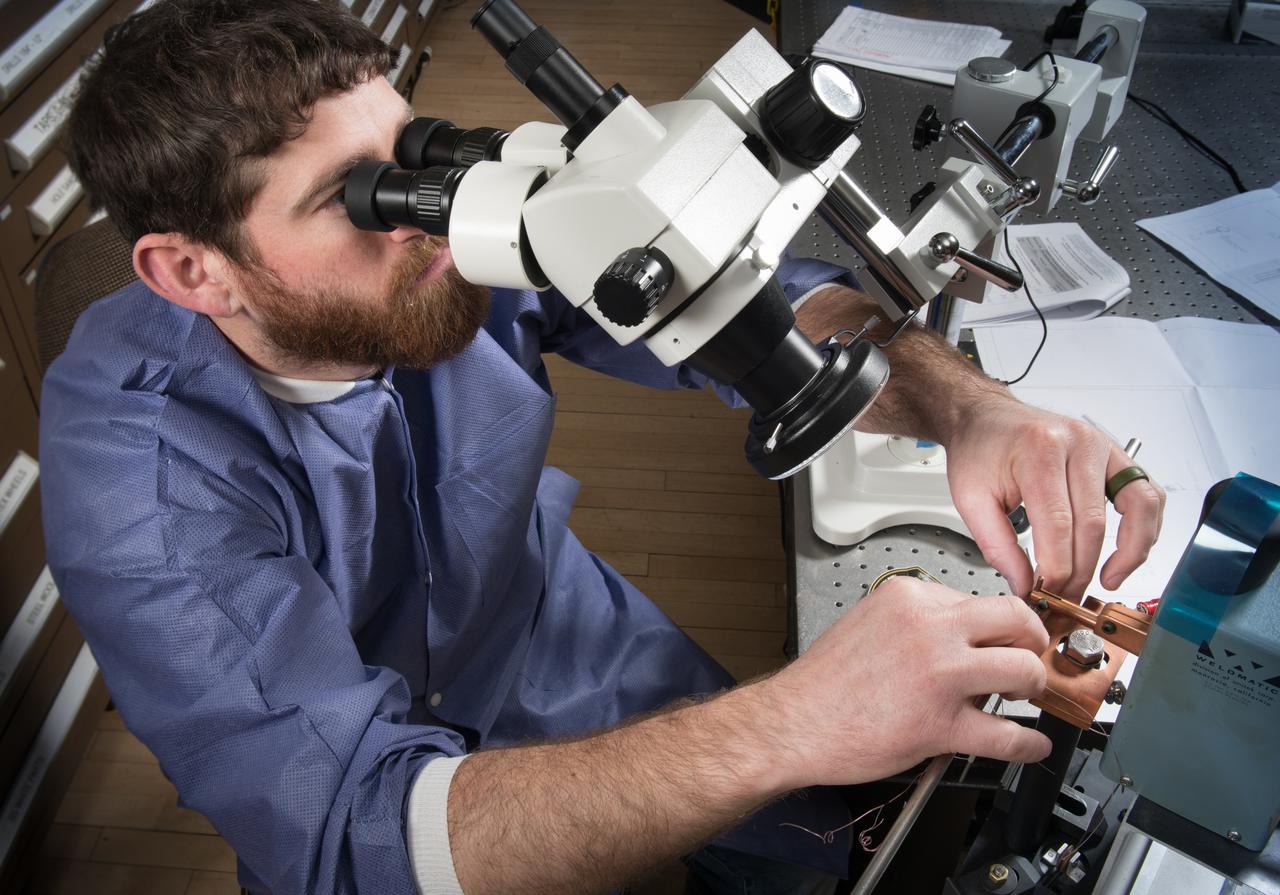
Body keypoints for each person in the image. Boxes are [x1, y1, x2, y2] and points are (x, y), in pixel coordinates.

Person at [40, 1, 1166, 893]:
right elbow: (361, 835)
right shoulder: (146, 492)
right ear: (192, 271)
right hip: (393, 826)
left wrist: (964, 408)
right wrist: (787, 720)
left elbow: (740, 306)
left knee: (843, 826)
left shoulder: (450, 237)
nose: (432, 212)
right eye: (362, 195)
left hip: (586, 664)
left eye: (418, 153)